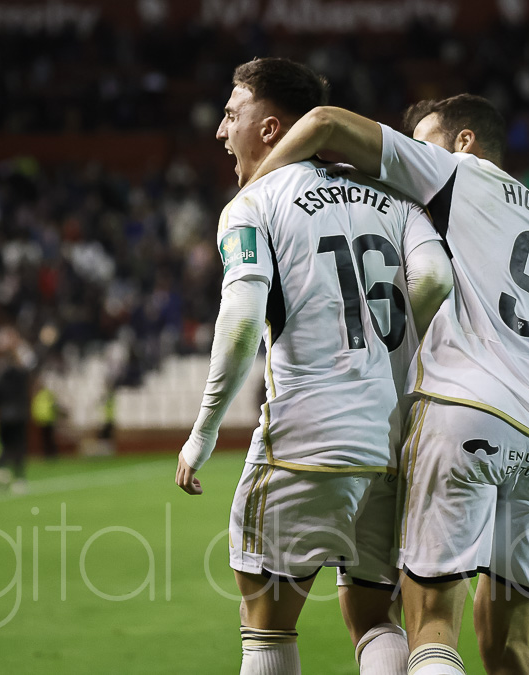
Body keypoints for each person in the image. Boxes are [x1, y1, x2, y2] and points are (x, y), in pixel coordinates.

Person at [249, 95, 529, 674]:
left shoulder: (455, 175)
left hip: (466, 413)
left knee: (432, 629)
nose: (413, 153)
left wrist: (250, 198)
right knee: (509, 650)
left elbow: (324, 122)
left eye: (424, 139)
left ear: (464, 143)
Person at [173, 57, 453, 675]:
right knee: (374, 618)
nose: (221, 131)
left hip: (306, 432)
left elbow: (244, 319)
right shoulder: (394, 197)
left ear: (270, 128)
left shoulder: (253, 202)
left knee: (267, 626)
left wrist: (203, 435)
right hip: (390, 438)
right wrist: (393, 356)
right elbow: (434, 276)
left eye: (231, 114)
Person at [0, 329, 32, 494]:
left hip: (4, 414)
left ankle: (2, 471)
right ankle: (19, 477)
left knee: (4, 445)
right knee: (19, 446)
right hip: (18, 413)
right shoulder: (20, 373)